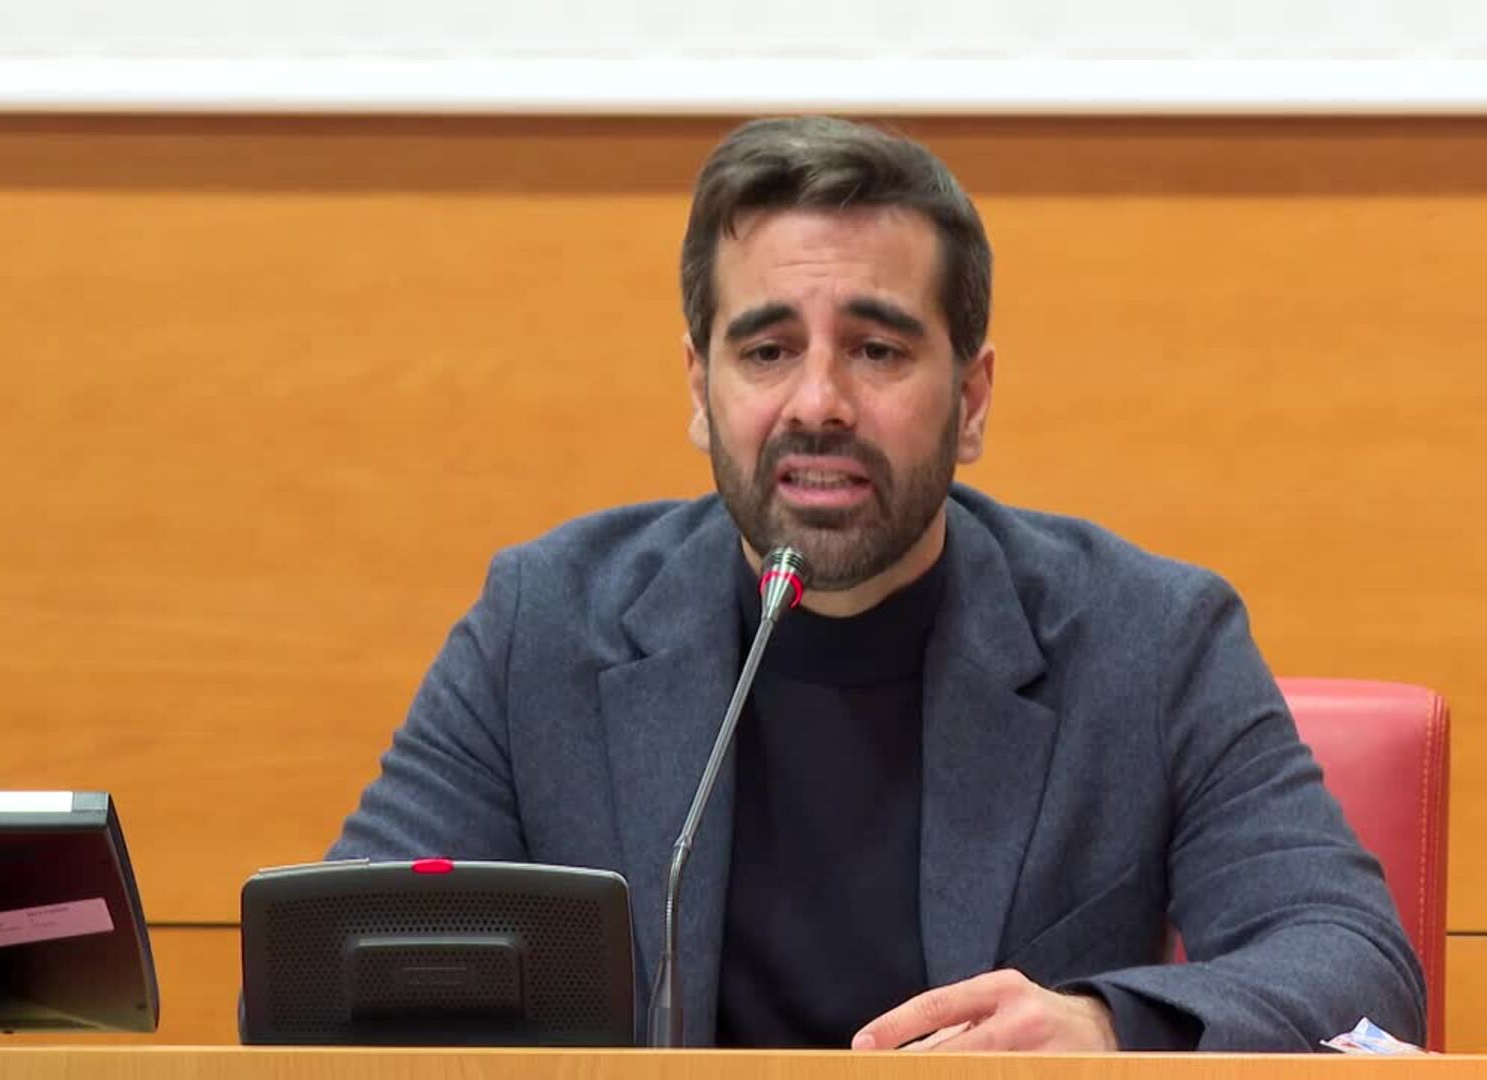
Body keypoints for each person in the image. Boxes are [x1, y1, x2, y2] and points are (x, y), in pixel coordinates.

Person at [328, 116, 1425, 1052]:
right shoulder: (545, 627)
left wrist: (1102, 1027)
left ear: (972, 400)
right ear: (700, 390)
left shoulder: (1151, 641)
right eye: (766, 351)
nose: (819, 403)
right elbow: (329, 977)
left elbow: (1356, 965)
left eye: (878, 351)